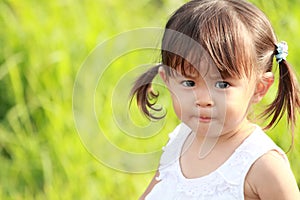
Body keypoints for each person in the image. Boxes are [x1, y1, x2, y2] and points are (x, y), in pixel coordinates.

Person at [130, 0, 300, 199]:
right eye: (189, 83)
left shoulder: (263, 166)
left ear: (259, 88)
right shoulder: (181, 139)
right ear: (168, 81)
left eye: (222, 85)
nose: (203, 99)